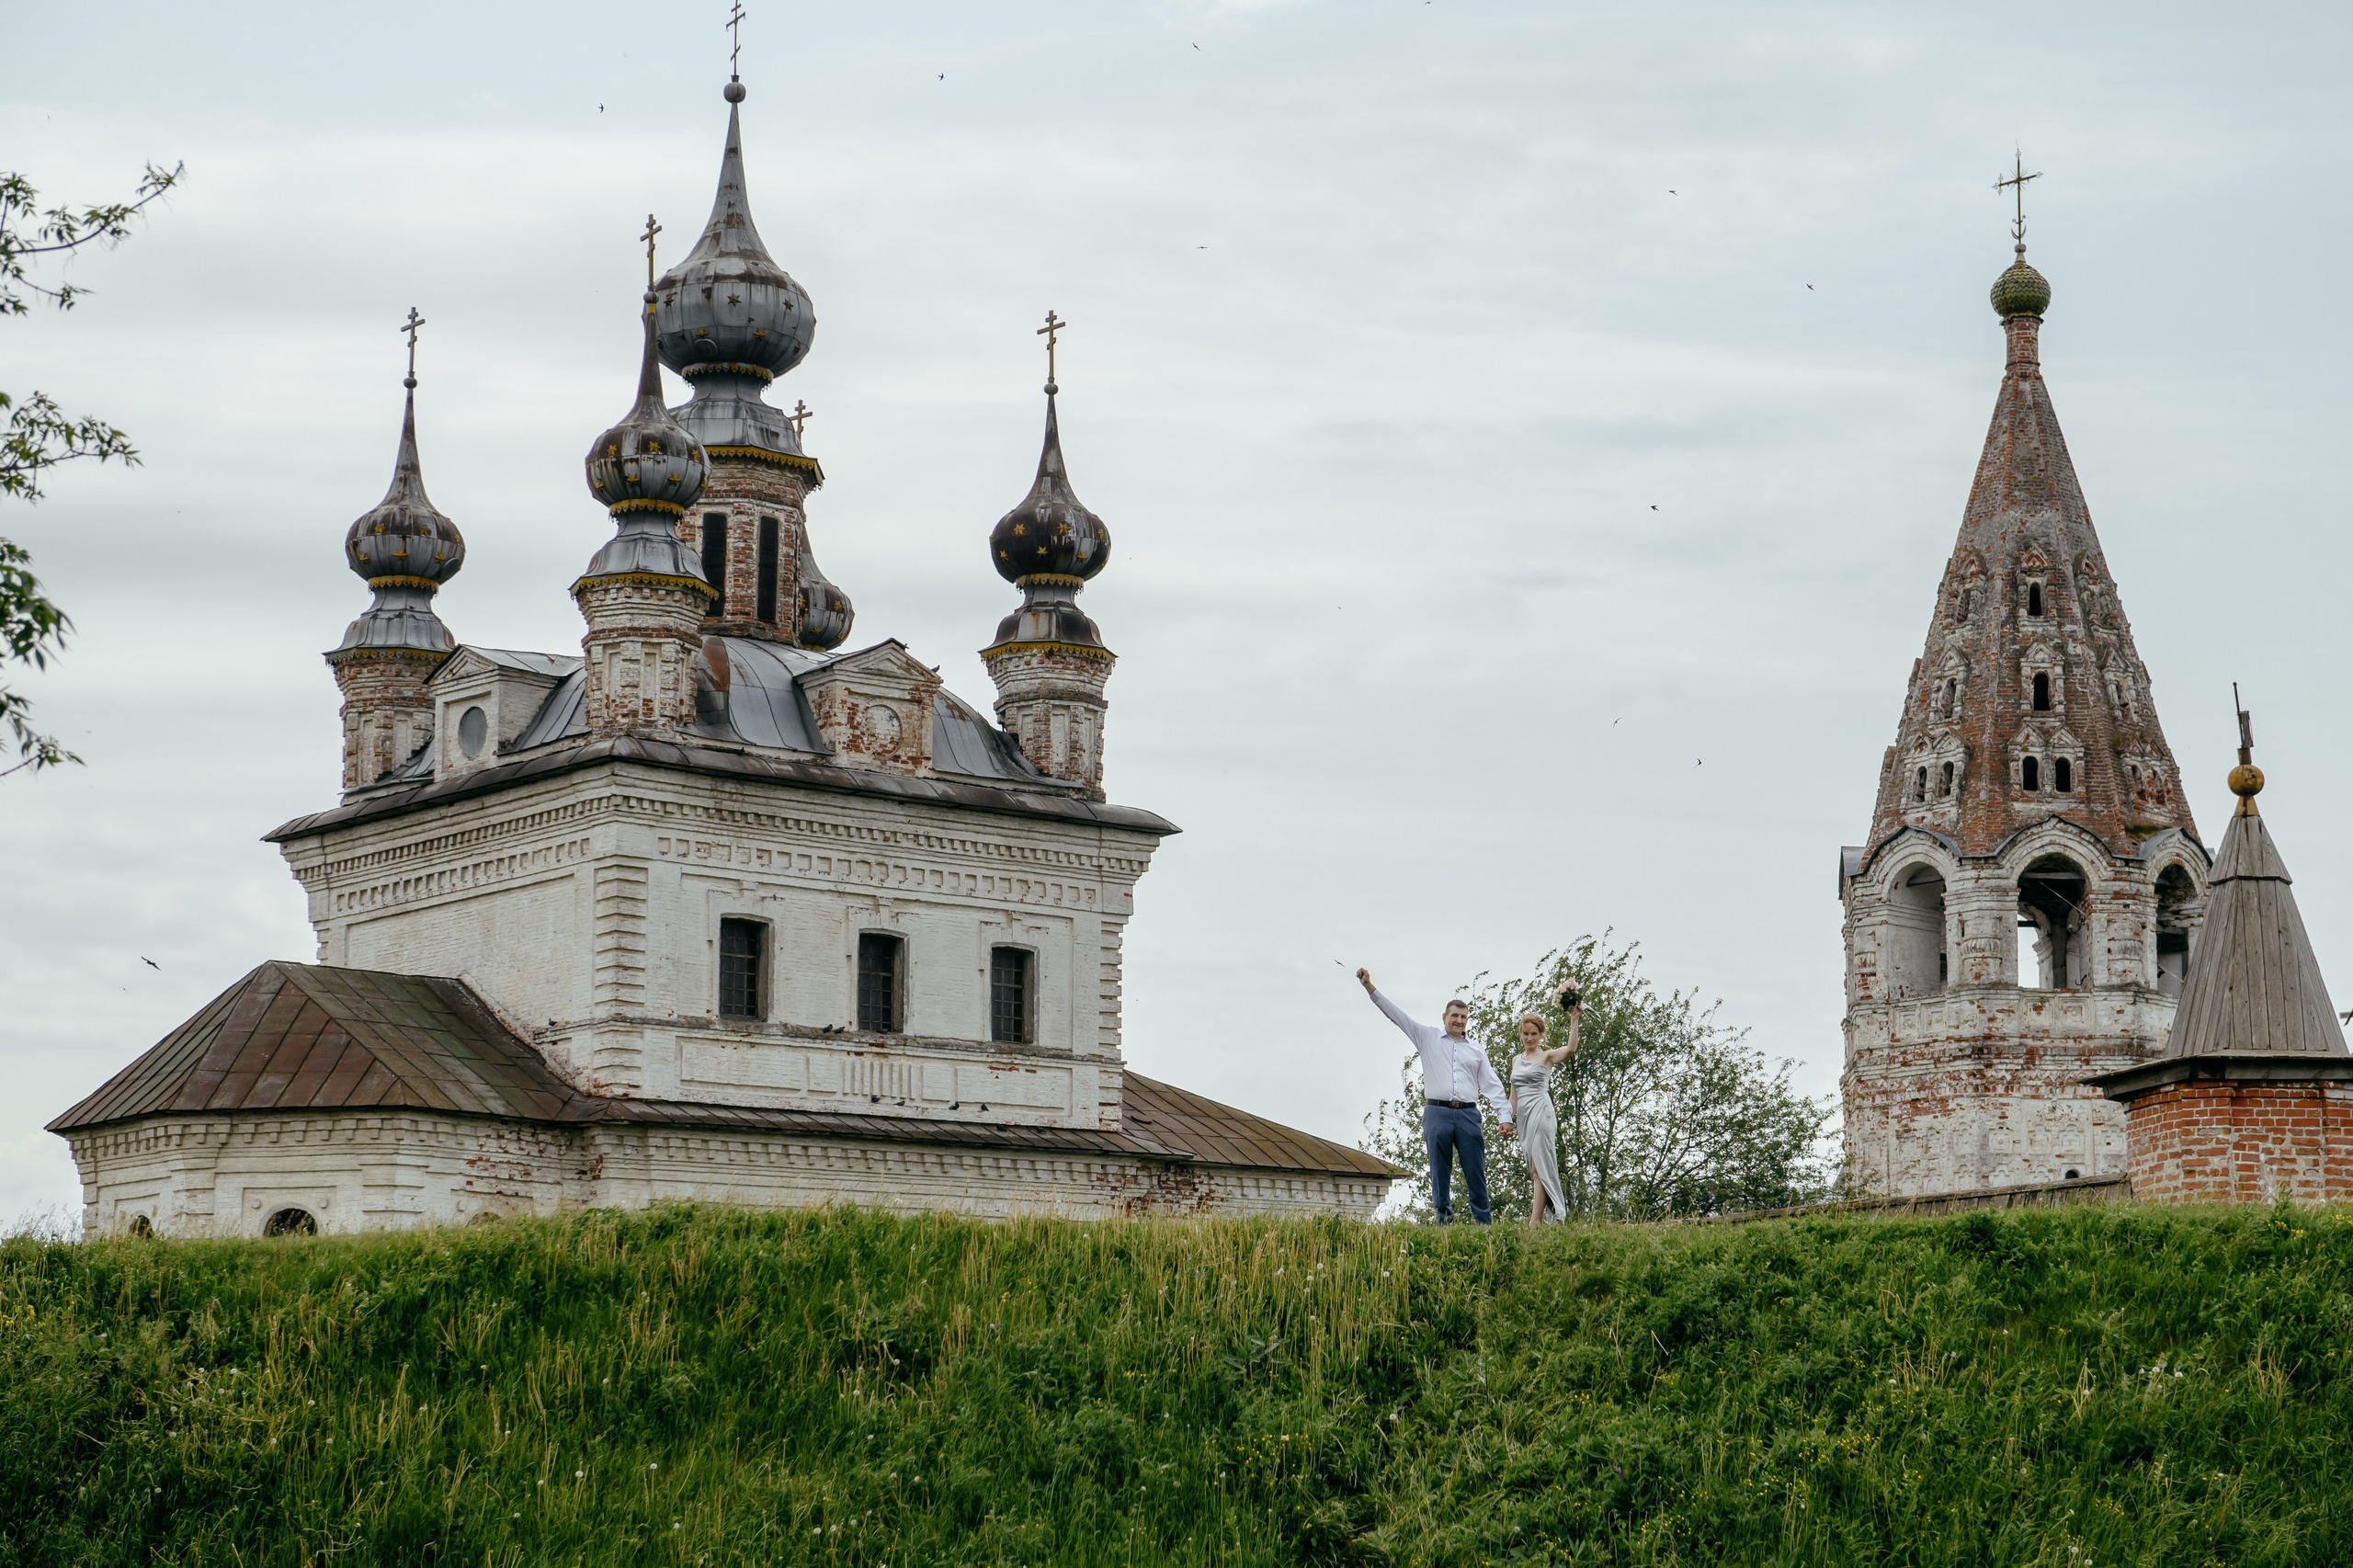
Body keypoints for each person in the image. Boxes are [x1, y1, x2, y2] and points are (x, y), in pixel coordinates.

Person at [1358, 967, 1511, 1224]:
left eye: (1463, 1017)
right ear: (1444, 1017)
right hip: (1437, 1112)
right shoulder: (1427, 1037)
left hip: (1468, 1114)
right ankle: (1444, 1223)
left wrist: (1504, 1116)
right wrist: (1369, 987)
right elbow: (1397, 1016)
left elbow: (1492, 1085)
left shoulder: (1475, 1050)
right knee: (1440, 1171)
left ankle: (1485, 1224)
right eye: (1454, 1015)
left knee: (1476, 1170)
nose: (1459, 1021)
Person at [1511, 988, 1581, 1223]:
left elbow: (1570, 1049)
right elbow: (1514, 1096)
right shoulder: (1515, 1061)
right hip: (1524, 1117)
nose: (1529, 1038)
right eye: (1525, 1034)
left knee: (1539, 1166)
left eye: (1533, 1034)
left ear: (1541, 1035)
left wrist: (1574, 1020)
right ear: (1520, 1034)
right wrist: (1505, 1120)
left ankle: (1535, 1220)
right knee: (1533, 1169)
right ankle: (1541, 1218)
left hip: (1541, 1112)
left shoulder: (1547, 1056)